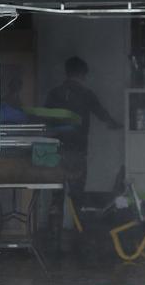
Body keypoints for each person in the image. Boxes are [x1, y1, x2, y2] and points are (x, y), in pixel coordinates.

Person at [44, 56, 121, 205]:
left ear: (67, 73)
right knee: (77, 194)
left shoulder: (54, 93)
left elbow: (45, 117)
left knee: (56, 193)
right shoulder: (86, 94)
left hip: (55, 149)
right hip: (77, 149)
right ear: (82, 74)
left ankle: (55, 227)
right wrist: (114, 124)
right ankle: (76, 226)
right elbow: (102, 114)